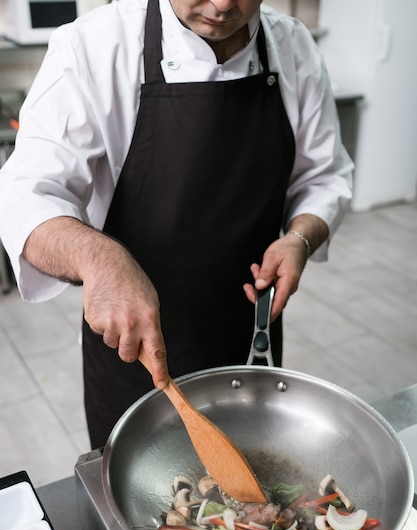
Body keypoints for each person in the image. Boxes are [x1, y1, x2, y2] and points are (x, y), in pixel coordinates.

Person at [0, 0, 353, 449]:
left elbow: (325, 175)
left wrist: (300, 238)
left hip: (249, 337)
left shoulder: (294, 47)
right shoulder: (93, 46)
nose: (224, 4)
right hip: (134, 352)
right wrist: (97, 257)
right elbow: (24, 194)